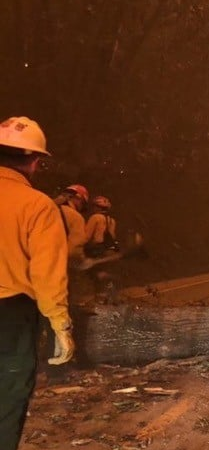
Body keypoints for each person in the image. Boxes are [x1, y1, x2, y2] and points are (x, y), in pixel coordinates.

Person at [0, 116, 75, 450]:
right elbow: (47, 275)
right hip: (11, 316)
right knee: (8, 395)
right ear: (34, 161)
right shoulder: (38, 206)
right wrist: (60, 326)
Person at [55, 183, 89, 262]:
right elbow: (73, 251)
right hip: (55, 263)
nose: (81, 207)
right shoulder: (76, 217)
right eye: (82, 203)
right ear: (77, 198)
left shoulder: (45, 207)